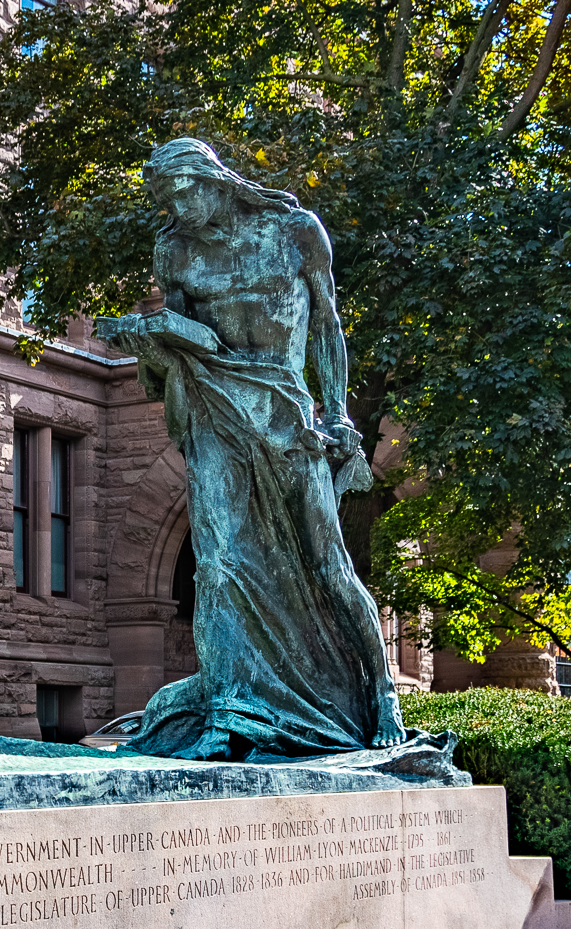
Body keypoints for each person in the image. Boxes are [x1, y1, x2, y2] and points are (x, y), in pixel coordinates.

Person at [95, 138, 405, 758]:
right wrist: (145, 337)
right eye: (166, 198)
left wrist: (339, 414)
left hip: (289, 416)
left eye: (185, 191)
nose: (178, 207)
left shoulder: (294, 231)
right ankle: (230, 713)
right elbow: (178, 351)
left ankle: (382, 699)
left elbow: (326, 328)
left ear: (215, 181)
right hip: (213, 416)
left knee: (326, 566)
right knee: (218, 563)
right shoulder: (174, 251)